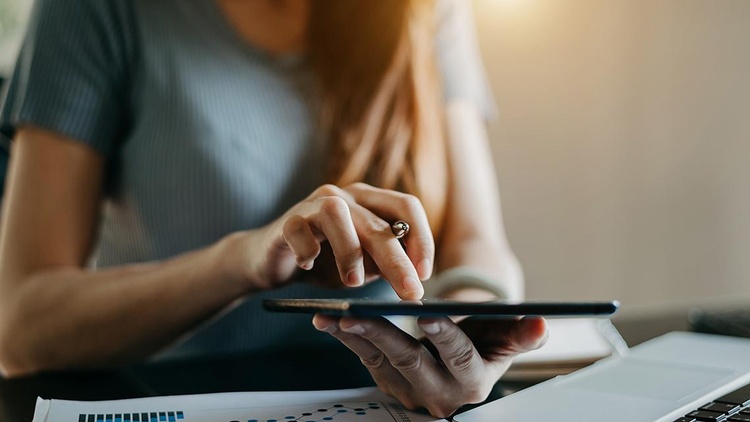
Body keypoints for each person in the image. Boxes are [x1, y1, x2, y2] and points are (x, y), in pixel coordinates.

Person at [0, 0, 547, 417]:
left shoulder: (428, 10)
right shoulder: (98, 11)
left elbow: (478, 245)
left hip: (385, 401)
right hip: (163, 393)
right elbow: (21, 330)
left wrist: (467, 335)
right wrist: (242, 261)